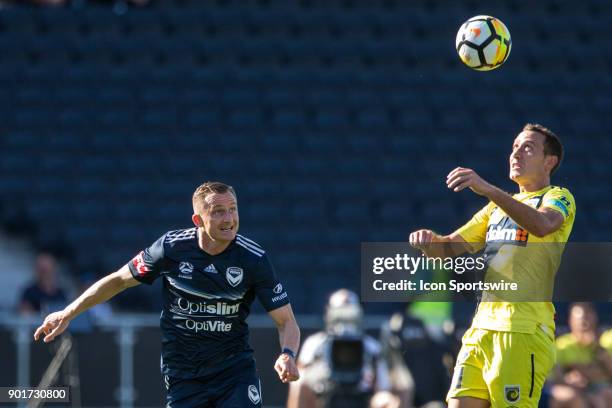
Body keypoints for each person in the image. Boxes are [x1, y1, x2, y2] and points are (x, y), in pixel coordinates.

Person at [34, 181, 301, 407]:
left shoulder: (253, 258)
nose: (229, 219)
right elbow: (118, 281)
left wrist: (288, 353)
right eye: (218, 212)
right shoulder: (171, 249)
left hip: (234, 371)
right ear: (198, 220)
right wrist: (68, 312)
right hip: (183, 375)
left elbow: (287, 321)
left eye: (232, 210)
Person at [409, 123, 576, 408]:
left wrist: (488, 189)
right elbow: (447, 248)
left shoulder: (558, 197)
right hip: (480, 329)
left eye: (527, 147)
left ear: (550, 161)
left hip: (522, 330)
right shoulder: (496, 209)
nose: (516, 154)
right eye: (514, 147)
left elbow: (543, 225)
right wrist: (428, 242)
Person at [287, 289, 397, 408]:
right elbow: (299, 375)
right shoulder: (315, 343)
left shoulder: (371, 346)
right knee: (299, 385)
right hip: (323, 394)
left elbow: (383, 386)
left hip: (362, 396)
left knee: (387, 400)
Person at [549, 303, 612, 408]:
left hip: (601, 388)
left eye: (587, 319)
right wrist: (568, 379)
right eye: (580, 321)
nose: (584, 324)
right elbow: (555, 376)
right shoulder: (562, 345)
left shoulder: (604, 342)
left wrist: (599, 351)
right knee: (569, 396)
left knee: (607, 395)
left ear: (595, 319)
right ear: (571, 321)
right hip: (574, 389)